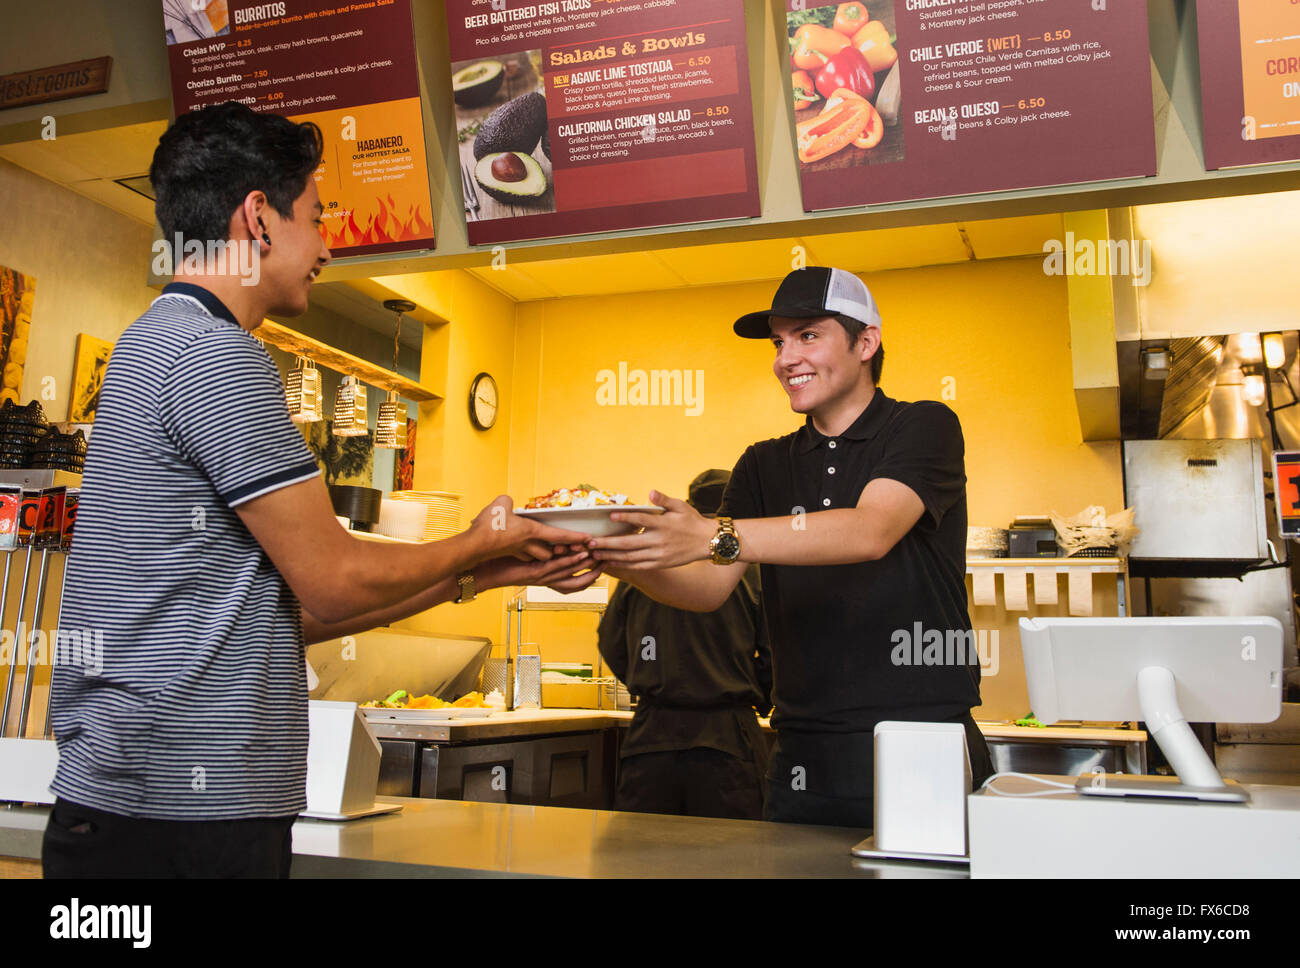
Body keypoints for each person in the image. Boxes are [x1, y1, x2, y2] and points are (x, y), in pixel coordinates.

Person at [43, 102, 598, 879]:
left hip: (135, 812)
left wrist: (481, 573)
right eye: (316, 217)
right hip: (184, 822)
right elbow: (336, 580)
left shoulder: (153, 341)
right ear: (258, 219)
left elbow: (282, 613)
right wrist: (481, 537)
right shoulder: (215, 356)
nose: (327, 246)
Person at [589, 266, 994, 828]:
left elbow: (869, 530)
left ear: (866, 342)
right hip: (801, 747)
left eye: (808, 335)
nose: (786, 358)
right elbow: (709, 588)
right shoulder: (763, 462)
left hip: (919, 736)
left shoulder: (923, 426)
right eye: (779, 342)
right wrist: (615, 557)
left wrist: (715, 535)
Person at [597, 469, 771, 820]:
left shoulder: (650, 559)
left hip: (651, 737)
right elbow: (776, 652)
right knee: (728, 863)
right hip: (727, 740)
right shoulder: (748, 567)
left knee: (640, 863)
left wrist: (645, 681)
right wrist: (759, 694)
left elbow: (611, 639)